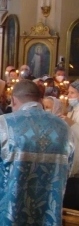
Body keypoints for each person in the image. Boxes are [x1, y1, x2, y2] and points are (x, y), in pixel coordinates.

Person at [0, 80, 74, 225]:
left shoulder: (2, 124)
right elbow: (68, 168)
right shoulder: (64, 128)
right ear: (40, 100)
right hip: (47, 211)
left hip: (9, 211)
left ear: (13, 99)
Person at [60, 80, 79, 209]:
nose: (69, 96)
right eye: (69, 93)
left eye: (73, 93)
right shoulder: (73, 110)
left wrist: (71, 123)